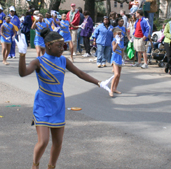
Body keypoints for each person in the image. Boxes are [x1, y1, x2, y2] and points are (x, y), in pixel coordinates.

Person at [16, 29, 110, 169]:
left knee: (58, 142)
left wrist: (99, 83)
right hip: (42, 104)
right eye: (59, 46)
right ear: (48, 45)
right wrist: (22, 54)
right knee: (43, 141)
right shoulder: (38, 62)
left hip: (58, 104)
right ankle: (35, 165)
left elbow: (80, 73)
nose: (62, 49)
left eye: (63, 46)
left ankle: (51, 166)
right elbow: (23, 73)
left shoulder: (63, 60)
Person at [110, 28, 124, 97]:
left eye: (120, 34)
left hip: (119, 59)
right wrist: (117, 42)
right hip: (115, 58)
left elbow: (122, 50)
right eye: (118, 34)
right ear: (114, 34)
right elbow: (114, 49)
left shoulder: (121, 41)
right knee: (116, 74)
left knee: (119, 75)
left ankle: (115, 88)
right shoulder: (114, 41)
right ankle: (111, 90)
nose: (119, 35)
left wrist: (122, 58)